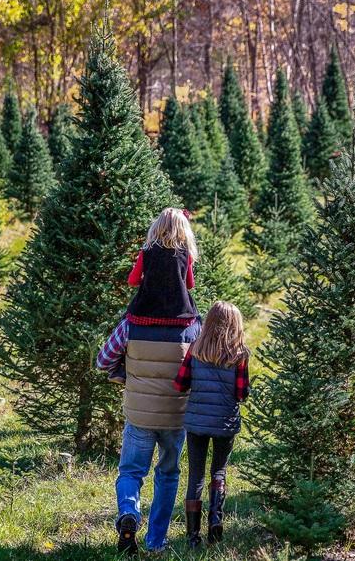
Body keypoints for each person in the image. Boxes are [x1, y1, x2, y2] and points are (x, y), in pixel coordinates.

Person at [94, 208, 201, 555]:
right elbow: (200, 369)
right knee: (168, 475)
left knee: (131, 471)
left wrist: (122, 374)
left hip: (139, 414)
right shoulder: (192, 327)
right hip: (176, 415)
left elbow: (103, 360)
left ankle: (128, 514)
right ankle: (156, 541)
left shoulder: (131, 323)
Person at [173, 301, 250, 548]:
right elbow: (241, 394)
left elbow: (180, 384)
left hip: (196, 422)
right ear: (236, 325)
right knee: (219, 471)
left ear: (209, 323)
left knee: (195, 475)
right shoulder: (240, 355)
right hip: (225, 422)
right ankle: (216, 518)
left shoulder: (195, 349)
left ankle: (192, 537)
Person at [97, 208, 199, 384]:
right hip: (180, 315)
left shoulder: (147, 250)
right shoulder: (185, 254)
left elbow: (133, 280)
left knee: (125, 320)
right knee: (199, 322)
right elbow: (190, 284)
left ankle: (117, 369)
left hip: (145, 312)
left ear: (157, 226)